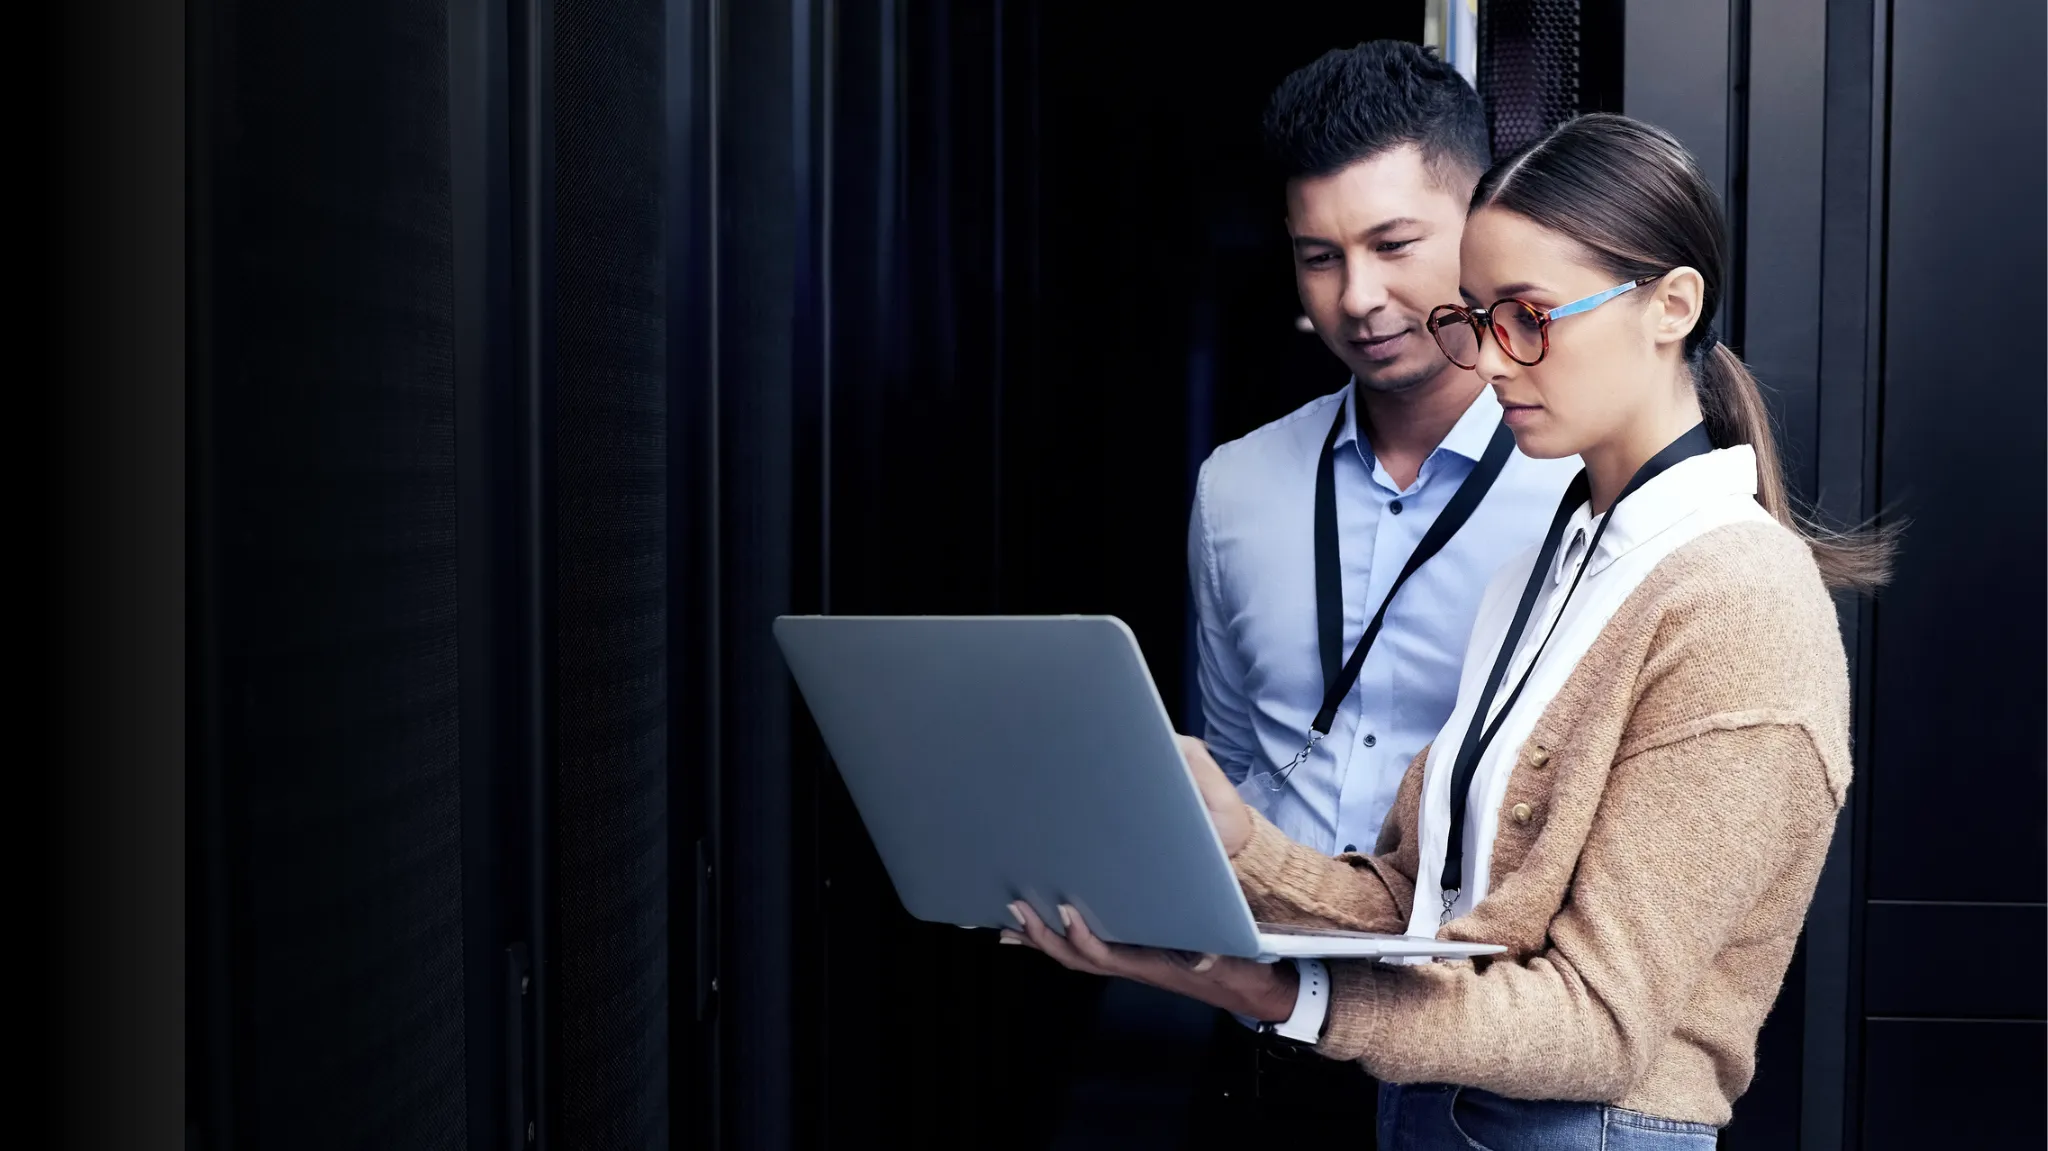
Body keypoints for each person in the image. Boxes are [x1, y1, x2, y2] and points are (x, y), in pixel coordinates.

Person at [1007, 112, 1893, 1148]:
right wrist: (1236, 838)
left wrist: (1272, 991)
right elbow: (1425, 908)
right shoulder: (1557, 562)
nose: (1491, 356)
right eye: (1475, 317)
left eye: (1529, 314)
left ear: (1671, 306)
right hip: (1435, 1112)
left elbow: (1598, 1022)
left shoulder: (1738, 596)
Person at [1181, 41, 1576, 1140]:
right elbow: (1240, 760)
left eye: (1393, 244)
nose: (1358, 296)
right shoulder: (1235, 485)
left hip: (1480, 1052)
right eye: (1318, 256)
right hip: (1264, 1027)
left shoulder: (1577, 485)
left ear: (1480, 226)